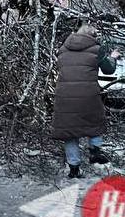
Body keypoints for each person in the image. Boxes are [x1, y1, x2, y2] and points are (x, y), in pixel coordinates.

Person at [51, 24, 120, 179]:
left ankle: (74, 168)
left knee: (70, 131)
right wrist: (113, 57)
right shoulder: (97, 49)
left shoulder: (63, 49)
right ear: (93, 36)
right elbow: (108, 69)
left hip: (64, 96)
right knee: (95, 121)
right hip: (88, 94)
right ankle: (95, 152)